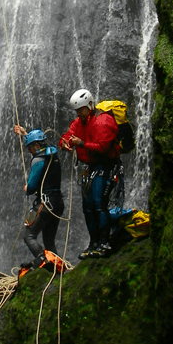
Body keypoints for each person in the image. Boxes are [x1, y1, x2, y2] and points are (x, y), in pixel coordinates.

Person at [59, 89, 121, 259]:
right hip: (92, 168)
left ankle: (104, 242)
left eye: (82, 110)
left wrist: (82, 143)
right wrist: (64, 143)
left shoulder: (103, 121)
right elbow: (68, 135)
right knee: (87, 207)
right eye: (77, 111)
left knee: (98, 203)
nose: (80, 114)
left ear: (90, 106)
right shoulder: (78, 123)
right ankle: (93, 243)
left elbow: (102, 147)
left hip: (106, 166)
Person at [13, 125, 64, 268]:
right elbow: (41, 143)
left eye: (29, 147)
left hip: (45, 203)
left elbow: (31, 188)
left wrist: (27, 188)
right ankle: (56, 268)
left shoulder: (38, 160)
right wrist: (25, 134)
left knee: (29, 236)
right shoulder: (53, 153)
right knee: (49, 240)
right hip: (57, 202)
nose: (29, 151)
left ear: (36, 145)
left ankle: (44, 260)